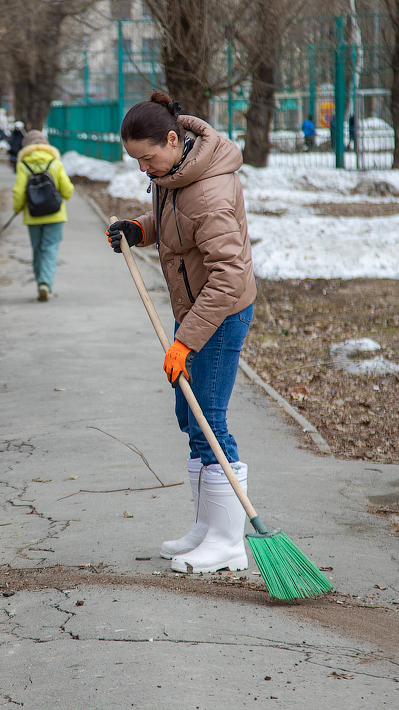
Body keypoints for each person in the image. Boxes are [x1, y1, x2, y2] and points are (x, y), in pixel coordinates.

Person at [106, 91, 256, 574]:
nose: (145, 169)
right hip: (193, 309)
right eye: (137, 161)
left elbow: (229, 277)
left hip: (220, 312)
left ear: (173, 140)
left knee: (209, 418)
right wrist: (138, 229)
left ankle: (229, 541)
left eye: (148, 158)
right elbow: (177, 225)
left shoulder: (208, 191)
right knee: (188, 414)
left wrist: (186, 340)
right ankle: (206, 527)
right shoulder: (175, 172)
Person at [13, 130, 74, 302]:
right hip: (55, 215)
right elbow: (67, 191)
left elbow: (18, 191)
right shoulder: (55, 163)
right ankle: (45, 283)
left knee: (37, 250)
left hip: (33, 216)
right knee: (50, 248)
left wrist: (17, 208)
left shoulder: (23, 165)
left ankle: (41, 282)